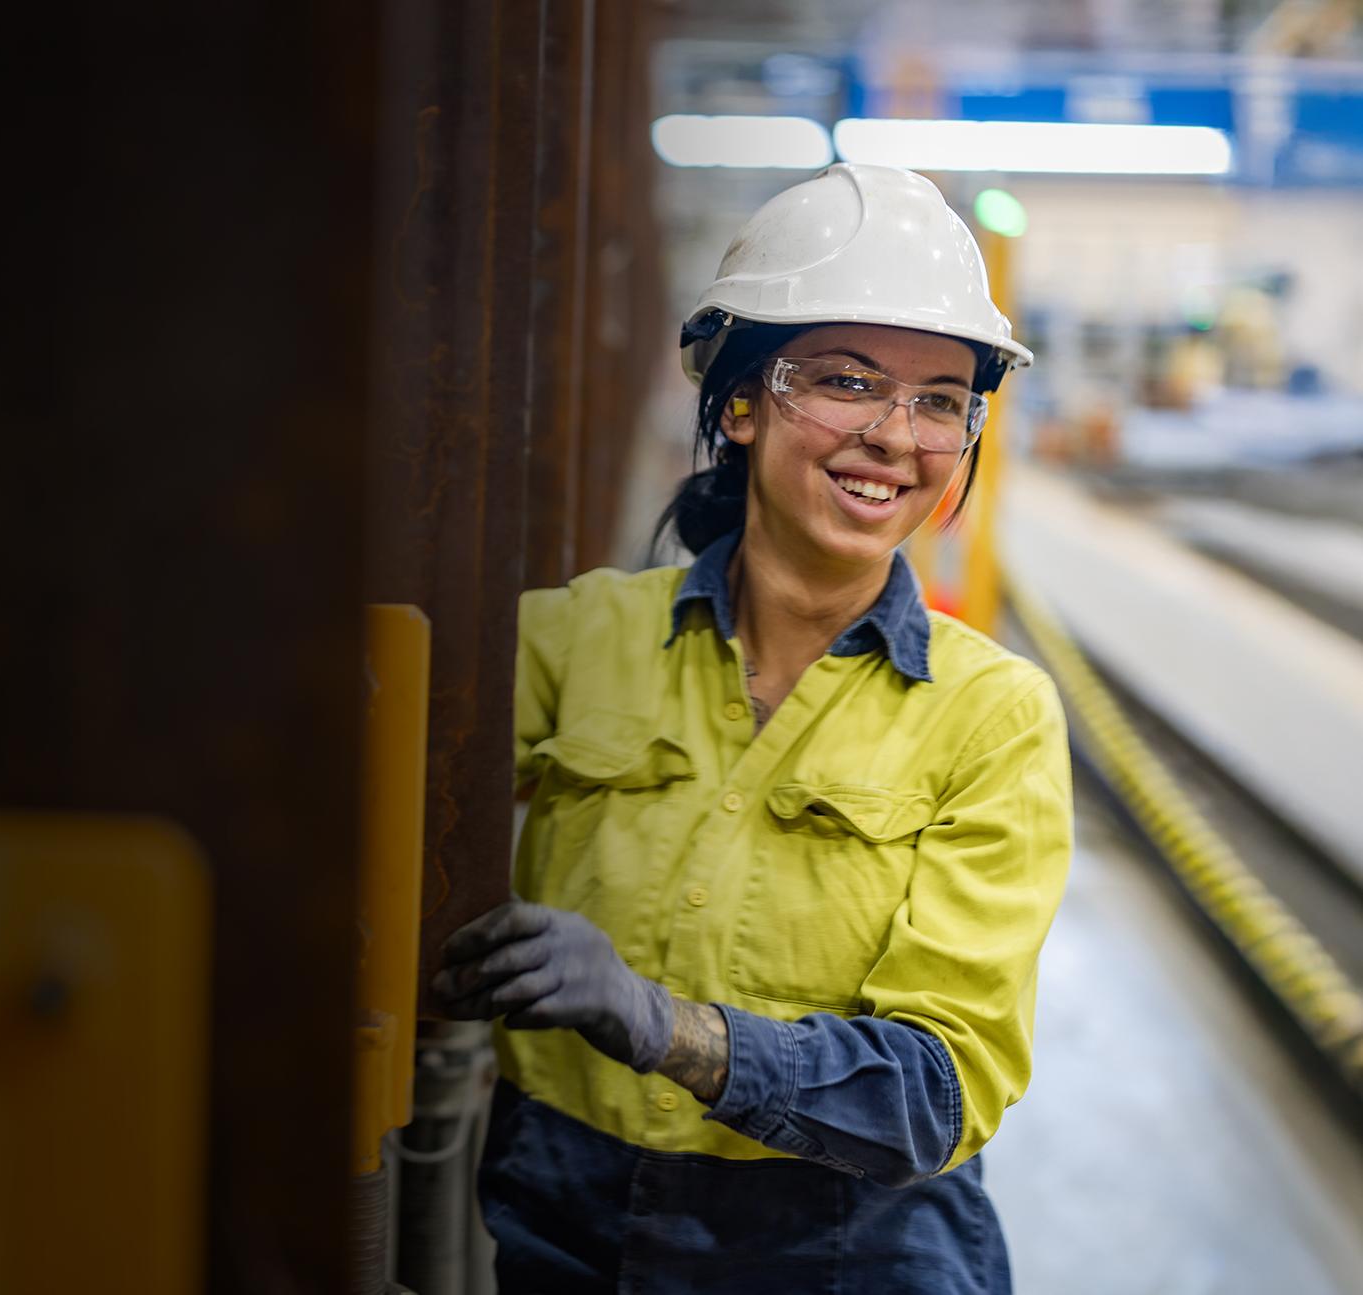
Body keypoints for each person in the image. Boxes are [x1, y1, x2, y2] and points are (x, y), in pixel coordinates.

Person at [434, 163, 1072, 1293]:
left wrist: (656, 1020)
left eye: (938, 399)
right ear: (736, 401)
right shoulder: (579, 641)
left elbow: (933, 1091)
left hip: (851, 1250)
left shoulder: (991, 716)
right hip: (564, 1230)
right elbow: (390, 765)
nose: (891, 432)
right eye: (842, 379)